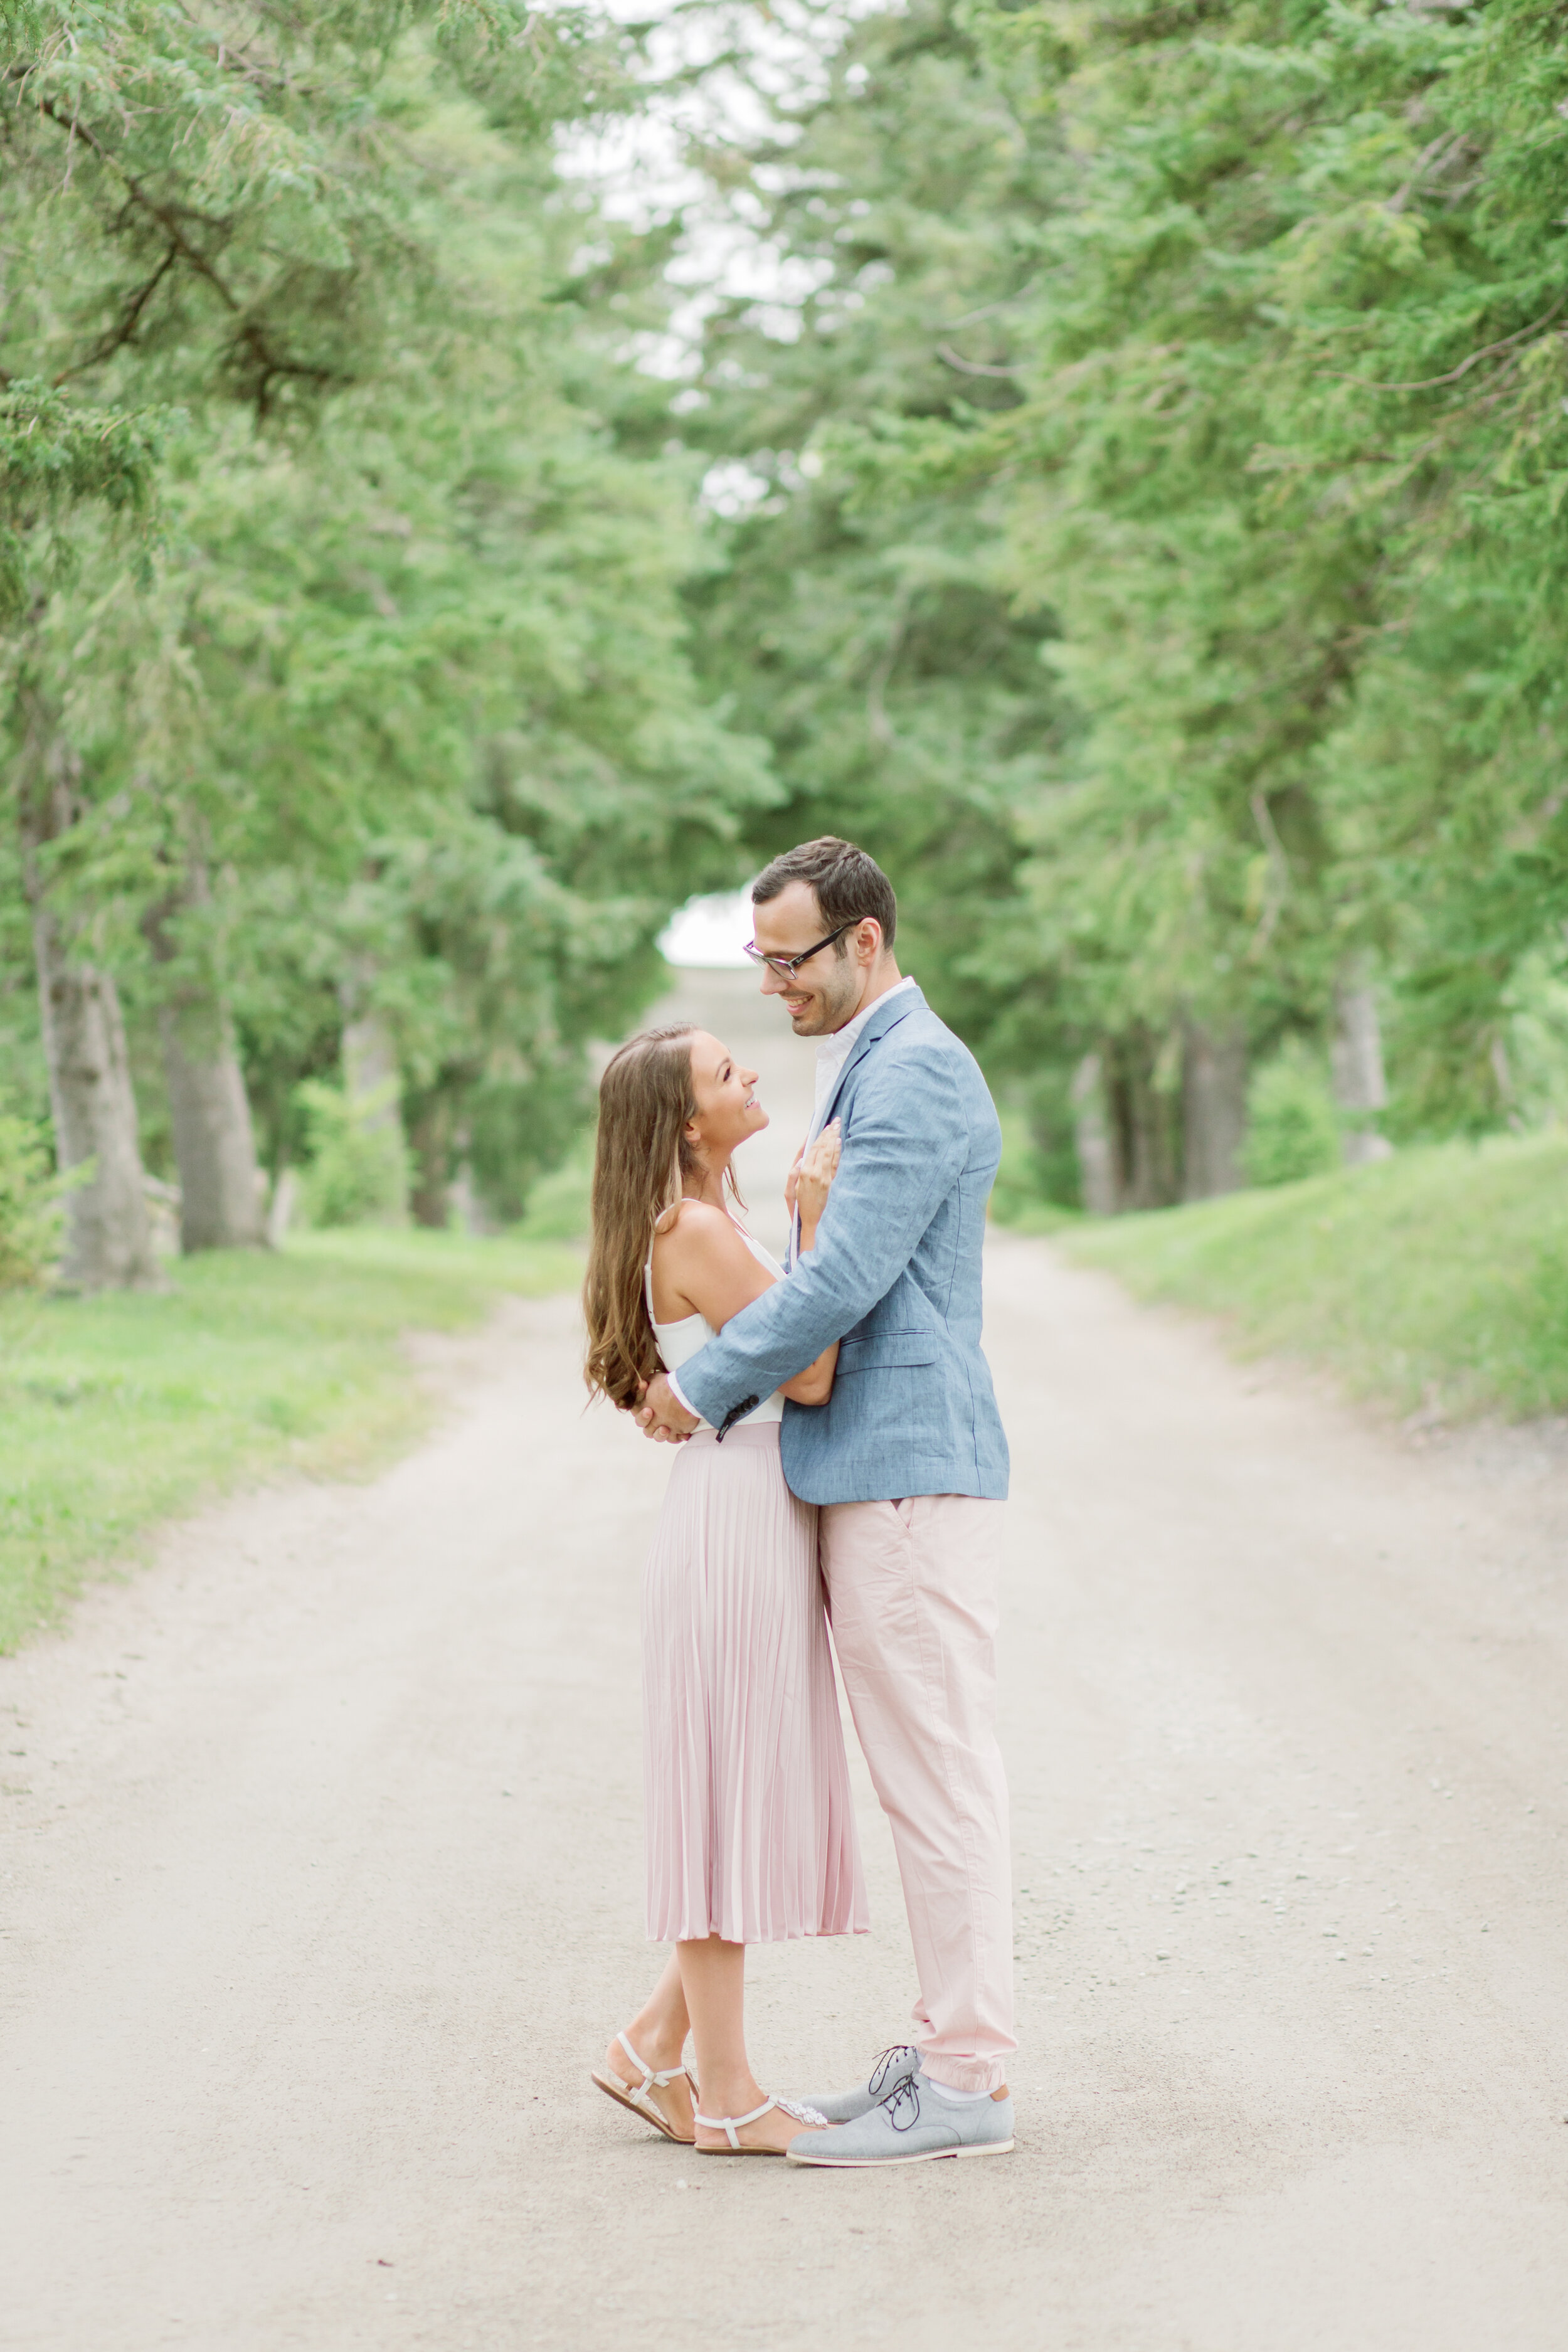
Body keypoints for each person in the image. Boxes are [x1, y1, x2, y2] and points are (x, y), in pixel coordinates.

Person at [635, 837, 1015, 2167]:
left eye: (788, 959)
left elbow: (843, 1276)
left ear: (862, 942)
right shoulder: (866, 1058)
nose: (770, 985)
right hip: (876, 1476)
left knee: (938, 1783)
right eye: (757, 959)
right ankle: (948, 2049)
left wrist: (702, 1387)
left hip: (907, 1475)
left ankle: (966, 2076)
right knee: (925, 1780)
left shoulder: (908, 1070)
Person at [583, 1022, 867, 2156]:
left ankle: (648, 2049)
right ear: (688, 1122)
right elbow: (806, 1369)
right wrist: (811, 1220)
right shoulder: (694, 1227)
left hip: (743, 1513)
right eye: (723, 1070)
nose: (750, 1070)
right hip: (732, 1527)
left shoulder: (704, 1219)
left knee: (730, 1788)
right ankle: (731, 2092)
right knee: (720, 1801)